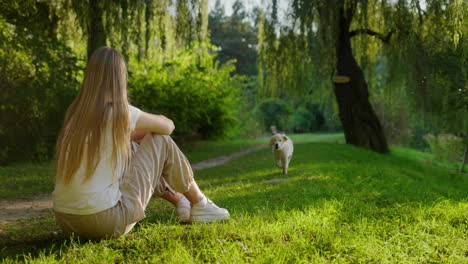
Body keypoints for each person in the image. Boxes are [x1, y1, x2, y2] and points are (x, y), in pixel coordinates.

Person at [52, 47, 229, 239]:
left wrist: (132, 135)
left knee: (134, 146)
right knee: (160, 140)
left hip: (67, 222)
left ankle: (181, 201)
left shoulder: (75, 113)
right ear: (120, 78)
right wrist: (143, 131)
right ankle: (201, 204)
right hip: (105, 223)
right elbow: (167, 127)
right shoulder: (120, 113)